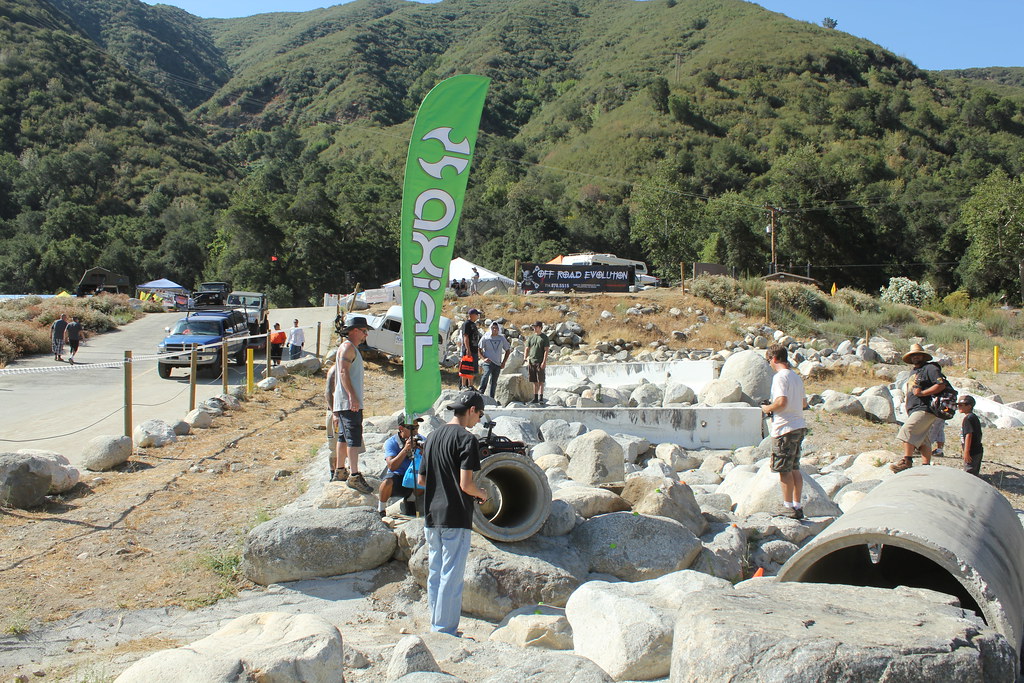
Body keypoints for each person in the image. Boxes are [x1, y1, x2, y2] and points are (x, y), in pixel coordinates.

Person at [418, 390, 490, 636]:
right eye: (479, 414)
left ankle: (436, 622)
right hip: (456, 515)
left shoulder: (432, 437)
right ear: (471, 410)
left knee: (436, 572)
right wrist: (482, 494)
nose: (478, 420)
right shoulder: (467, 440)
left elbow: (421, 480)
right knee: (452, 575)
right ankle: (444, 629)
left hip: (431, 515)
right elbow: (466, 485)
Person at [760, 344, 808, 520]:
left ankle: (787, 506)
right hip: (798, 425)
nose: (770, 365)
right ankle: (797, 505)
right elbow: (803, 403)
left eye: (769, 361)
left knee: (784, 470)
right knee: (795, 467)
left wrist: (767, 408)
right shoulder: (796, 377)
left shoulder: (780, 377)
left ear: (773, 358)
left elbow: (781, 402)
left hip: (784, 428)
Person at [332, 316, 373, 493]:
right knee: (354, 437)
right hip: (349, 403)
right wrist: (352, 397)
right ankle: (354, 474)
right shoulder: (348, 347)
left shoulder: (347, 347)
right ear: (355, 330)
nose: (365, 335)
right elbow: (343, 372)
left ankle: (340, 470)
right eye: (364, 331)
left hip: (343, 402)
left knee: (343, 436)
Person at [891, 344, 946, 473]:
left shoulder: (930, 368)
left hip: (925, 408)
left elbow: (941, 385)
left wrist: (922, 394)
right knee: (923, 439)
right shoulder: (914, 371)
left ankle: (907, 461)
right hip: (915, 409)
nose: (916, 357)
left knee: (907, 430)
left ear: (923, 356)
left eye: (918, 354)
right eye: (913, 355)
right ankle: (926, 466)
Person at [378, 418, 424, 518]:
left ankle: (411, 500)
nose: (415, 430)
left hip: (413, 477)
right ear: (401, 428)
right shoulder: (392, 442)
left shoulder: (421, 439)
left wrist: (424, 452)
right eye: (411, 427)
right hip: (398, 477)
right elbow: (392, 466)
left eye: (417, 427)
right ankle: (381, 509)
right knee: (387, 481)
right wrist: (405, 450)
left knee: (426, 477)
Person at [478, 322, 511, 399]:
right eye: (493, 328)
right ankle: (481, 392)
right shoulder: (486, 337)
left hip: (497, 363)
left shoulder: (501, 338)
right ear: (490, 328)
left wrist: (504, 362)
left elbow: (507, 350)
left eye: (496, 328)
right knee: (486, 374)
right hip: (488, 362)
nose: (495, 329)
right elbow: (479, 349)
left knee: (494, 381)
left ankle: (491, 397)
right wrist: (483, 358)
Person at [958, 395, 984, 476]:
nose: (958, 407)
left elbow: (969, 435)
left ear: (969, 406)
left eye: (961, 405)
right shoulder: (973, 417)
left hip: (972, 452)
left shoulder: (968, 419)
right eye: (958, 405)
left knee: (969, 474)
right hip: (977, 450)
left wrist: (966, 452)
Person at [525, 321, 549, 404]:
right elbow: (527, 348)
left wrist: (544, 362)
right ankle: (535, 398)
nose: (534, 328)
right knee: (534, 380)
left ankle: (541, 397)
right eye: (533, 327)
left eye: (536, 327)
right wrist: (525, 357)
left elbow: (546, 350)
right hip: (532, 361)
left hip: (539, 361)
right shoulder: (531, 337)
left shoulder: (544, 337)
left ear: (540, 327)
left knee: (541, 380)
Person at [460, 309, 482, 390]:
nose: (477, 316)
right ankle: (463, 385)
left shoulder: (473, 324)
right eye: (476, 314)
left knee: (471, 368)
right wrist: (467, 349)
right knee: (466, 367)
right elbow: (466, 337)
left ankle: (470, 385)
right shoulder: (467, 324)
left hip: (474, 349)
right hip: (468, 350)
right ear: (472, 315)